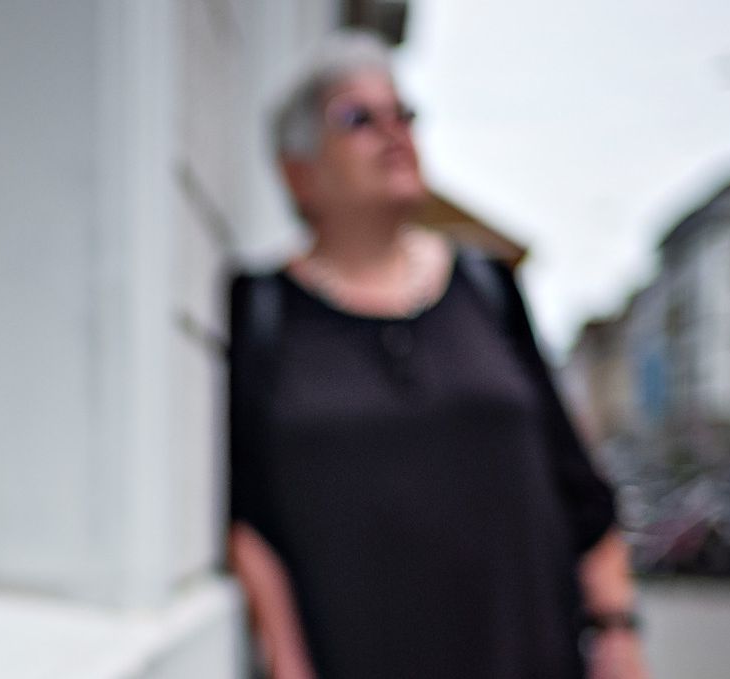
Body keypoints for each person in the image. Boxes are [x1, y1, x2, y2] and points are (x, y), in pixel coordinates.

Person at [227, 31, 648, 679]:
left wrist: (617, 631)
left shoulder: (486, 290)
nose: (394, 133)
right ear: (298, 169)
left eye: (404, 114)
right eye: (358, 119)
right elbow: (250, 514)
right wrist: (286, 661)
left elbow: (578, 485)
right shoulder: (262, 312)